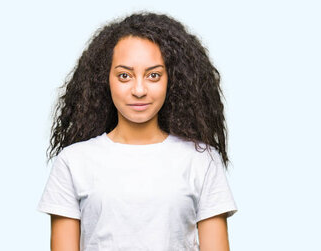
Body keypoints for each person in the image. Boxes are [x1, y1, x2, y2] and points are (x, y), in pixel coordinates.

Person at [36, 11, 238, 251]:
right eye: (125, 76)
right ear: (105, 79)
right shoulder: (73, 161)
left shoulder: (202, 160)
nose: (139, 89)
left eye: (154, 75)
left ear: (171, 80)